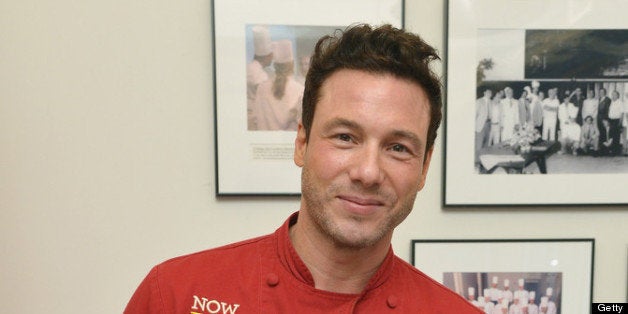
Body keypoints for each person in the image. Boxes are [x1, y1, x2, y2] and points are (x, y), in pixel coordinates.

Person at [124, 24, 482, 313]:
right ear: (302, 143)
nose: (368, 172)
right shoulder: (175, 295)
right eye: (345, 137)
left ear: (424, 168)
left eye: (398, 148)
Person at [252, 39, 303, 131]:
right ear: (292, 65)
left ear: (275, 66)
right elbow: (302, 124)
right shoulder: (299, 90)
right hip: (288, 144)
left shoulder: (262, 88)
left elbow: (256, 119)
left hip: (263, 143)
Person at [247, 25, 274, 130]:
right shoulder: (259, 74)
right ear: (266, 56)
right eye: (271, 56)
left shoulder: (250, 67)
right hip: (254, 117)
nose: (272, 59)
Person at [476, 89, 492, 157]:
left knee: (486, 144)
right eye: (488, 92)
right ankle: (477, 163)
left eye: (490, 93)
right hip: (480, 126)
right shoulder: (479, 101)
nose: (489, 94)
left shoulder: (491, 102)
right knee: (479, 145)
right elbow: (474, 114)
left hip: (488, 124)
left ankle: (483, 162)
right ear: (484, 92)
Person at [608, 90, 623, 155]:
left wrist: (620, 122)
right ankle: (612, 150)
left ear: (618, 95)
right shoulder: (611, 102)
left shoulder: (620, 102)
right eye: (612, 95)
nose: (613, 96)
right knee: (611, 135)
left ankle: (616, 151)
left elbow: (622, 113)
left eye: (615, 95)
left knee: (616, 136)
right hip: (611, 120)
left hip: (617, 120)